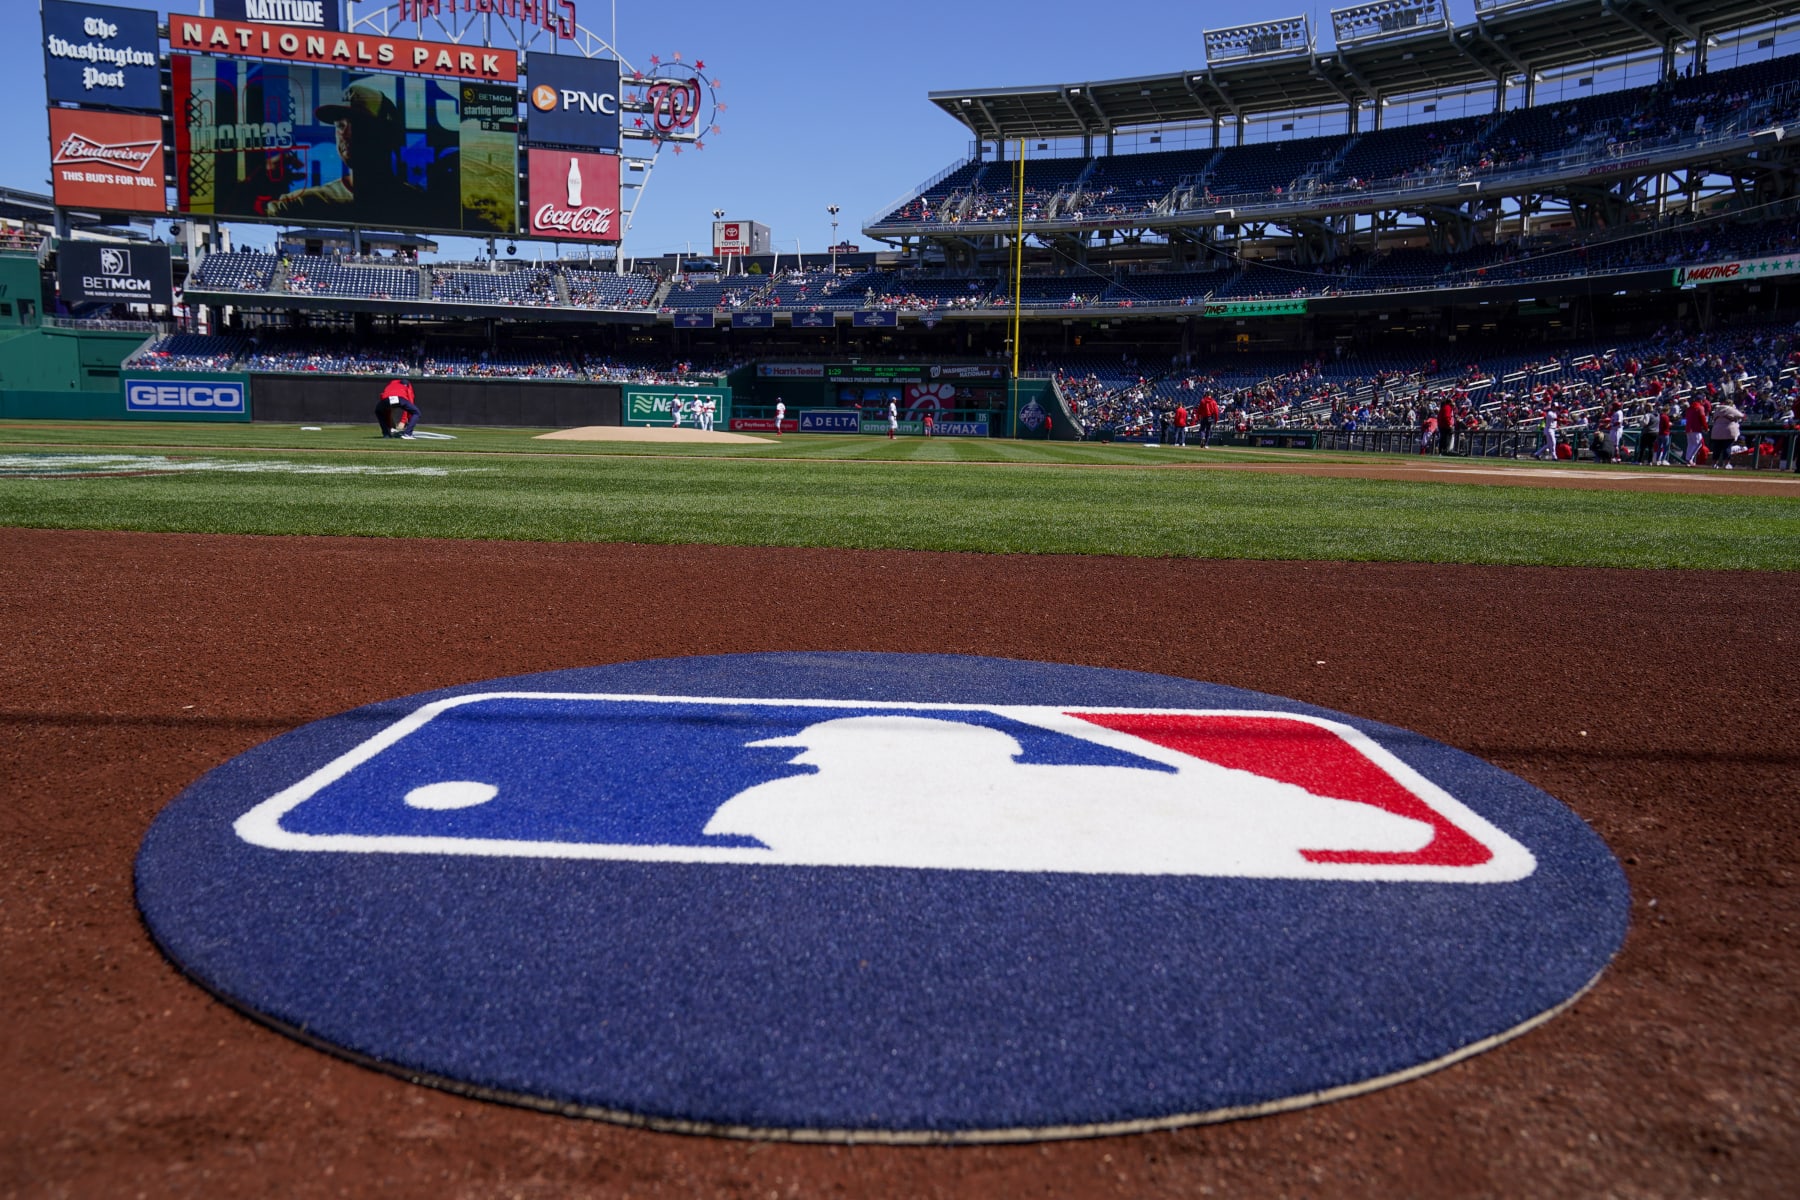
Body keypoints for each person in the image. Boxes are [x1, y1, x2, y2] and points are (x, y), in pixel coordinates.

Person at [264, 82, 424, 227]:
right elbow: (256, 210)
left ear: (387, 134)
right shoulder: (307, 202)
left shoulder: (420, 204)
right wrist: (257, 180)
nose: (345, 134)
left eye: (360, 124)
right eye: (340, 125)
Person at [1709, 397, 1745, 469]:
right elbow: (1742, 416)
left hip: (1716, 432)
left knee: (1716, 449)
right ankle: (1726, 464)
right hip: (1728, 431)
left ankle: (1714, 464)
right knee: (1727, 448)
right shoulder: (1731, 409)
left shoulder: (1717, 410)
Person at [1683, 395, 1710, 466]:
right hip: (1696, 429)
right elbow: (1702, 419)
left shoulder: (1689, 408)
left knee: (1690, 444)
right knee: (1698, 444)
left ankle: (1688, 459)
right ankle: (1689, 459)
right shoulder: (1700, 408)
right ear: (1700, 400)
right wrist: (1706, 428)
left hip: (1688, 428)